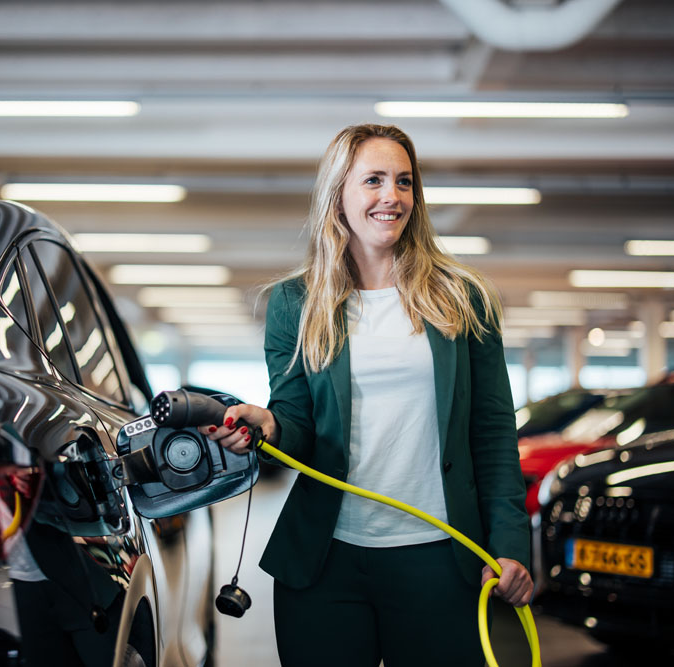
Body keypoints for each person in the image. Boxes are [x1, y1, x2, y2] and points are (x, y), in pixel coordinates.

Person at [199, 123, 532, 666]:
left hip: (440, 558)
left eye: (404, 182)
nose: (391, 197)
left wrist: (510, 544)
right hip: (327, 562)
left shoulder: (462, 299)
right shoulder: (295, 303)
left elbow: (493, 434)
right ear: (338, 195)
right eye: (373, 180)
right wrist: (269, 426)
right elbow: (297, 423)